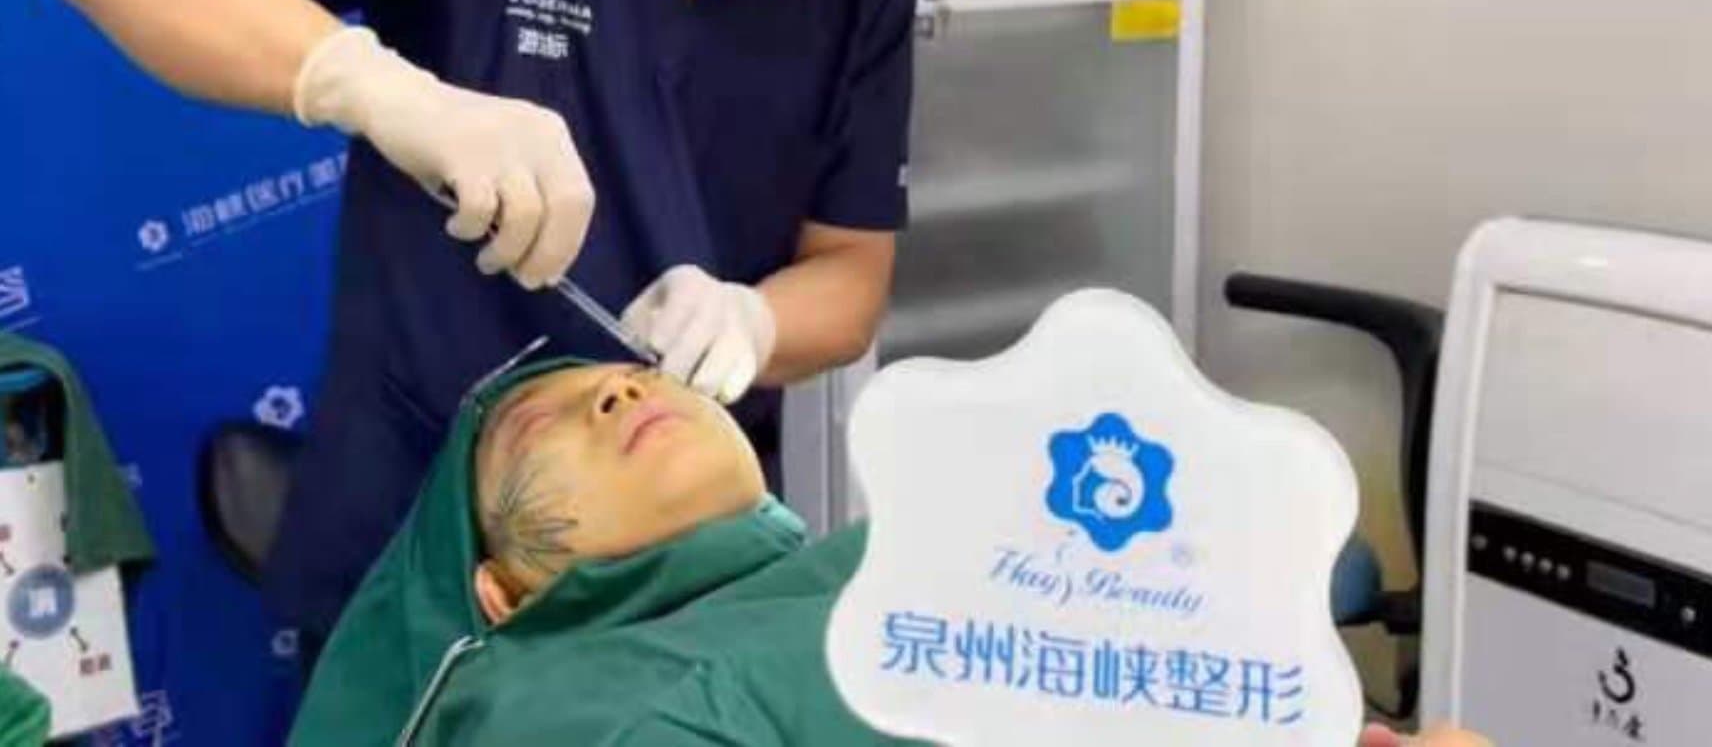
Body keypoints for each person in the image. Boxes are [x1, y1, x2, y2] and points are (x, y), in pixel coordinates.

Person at [52, 0, 1075, 656]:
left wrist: (754, 322)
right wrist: (387, 93)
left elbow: (849, 283)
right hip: (426, 544)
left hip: (680, 577)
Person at [294, 358, 1496, 747]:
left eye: (628, 375)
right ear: (499, 592)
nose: (614, 393)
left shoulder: (888, 559)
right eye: (541, 429)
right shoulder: (585, 710)